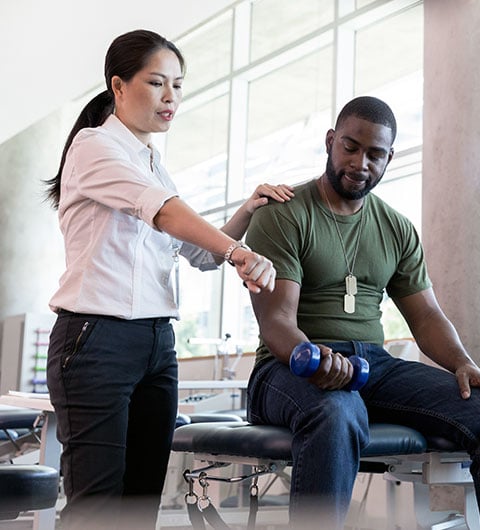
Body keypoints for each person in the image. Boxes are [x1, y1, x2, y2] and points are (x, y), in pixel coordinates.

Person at [245, 96, 480, 530]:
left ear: (389, 158)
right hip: (287, 365)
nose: (360, 163)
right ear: (330, 142)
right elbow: (277, 323)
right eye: (350, 147)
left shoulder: (397, 228)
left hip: (370, 366)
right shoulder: (286, 213)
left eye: (375, 154)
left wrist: (464, 362)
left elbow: (425, 316)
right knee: (336, 411)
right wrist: (316, 359)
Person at [43, 29, 293, 530]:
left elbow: (199, 254)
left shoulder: (155, 163)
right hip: (96, 339)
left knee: (139, 505)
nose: (170, 97)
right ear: (118, 86)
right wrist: (239, 251)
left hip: (157, 343)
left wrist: (248, 209)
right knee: (97, 506)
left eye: (178, 85)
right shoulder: (94, 147)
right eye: (157, 83)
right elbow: (161, 211)